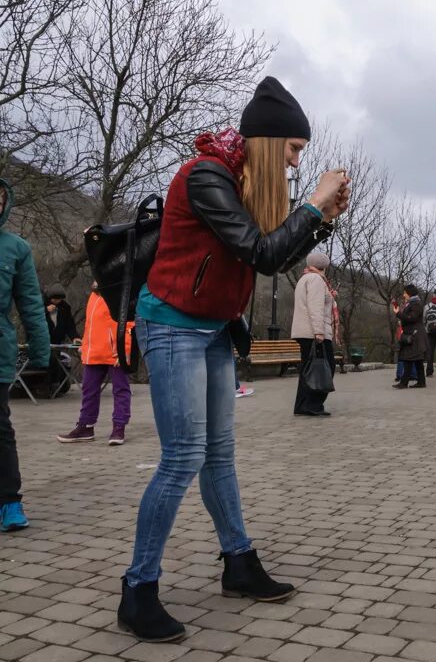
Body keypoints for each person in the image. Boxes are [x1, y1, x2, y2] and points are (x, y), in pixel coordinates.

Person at [117, 76, 351, 643]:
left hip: (215, 330)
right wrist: (312, 205)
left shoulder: (243, 186)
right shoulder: (206, 177)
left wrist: (321, 216)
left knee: (218, 456)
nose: (297, 162)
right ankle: (138, 590)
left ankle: (239, 565)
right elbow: (262, 252)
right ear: (270, 142)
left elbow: (272, 254)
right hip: (171, 325)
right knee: (182, 458)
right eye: (294, 150)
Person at [0, 178, 49, 533]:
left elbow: (31, 304)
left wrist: (40, 350)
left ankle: (10, 502)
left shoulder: (16, 248)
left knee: (0, 429)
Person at [56, 283, 133, 445]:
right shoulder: (93, 296)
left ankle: (119, 427)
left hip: (115, 352)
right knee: (88, 390)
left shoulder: (121, 294)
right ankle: (85, 426)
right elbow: (90, 325)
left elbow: (129, 323)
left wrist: (125, 349)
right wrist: (85, 346)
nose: (95, 282)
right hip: (93, 353)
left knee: (120, 390)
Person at [291, 252, 335, 416]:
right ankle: (313, 404)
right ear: (324, 266)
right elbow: (316, 307)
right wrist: (319, 332)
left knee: (307, 369)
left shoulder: (305, 278)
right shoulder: (317, 280)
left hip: (303, 332)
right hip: (313, 332)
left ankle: (302, 405)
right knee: (326, 368)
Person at [393, 284, 428, 389]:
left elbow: (412, 318)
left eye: (405, 293)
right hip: (413, 333)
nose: (404, 295)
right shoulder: (412, 303)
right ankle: (421, 382)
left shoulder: (416, 303)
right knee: (417, 360)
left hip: (414, 335)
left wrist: (398, 313)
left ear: (409, 293)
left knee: (408, 358)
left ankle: (404, 383)